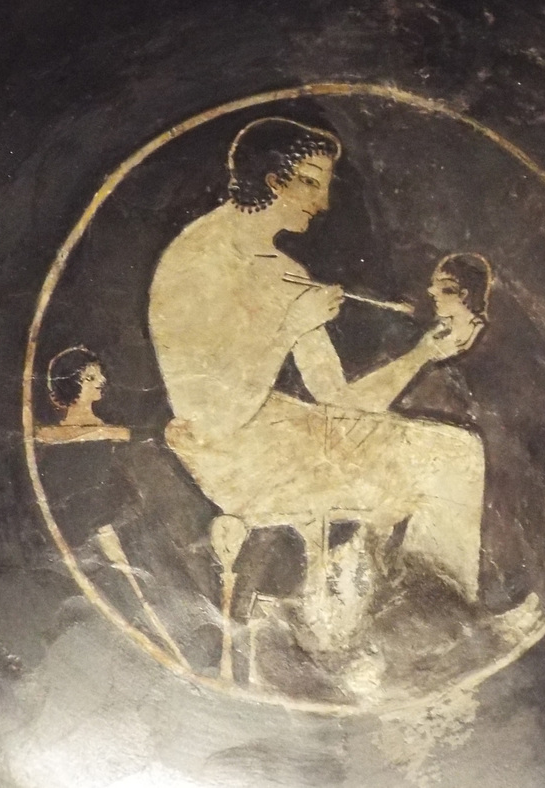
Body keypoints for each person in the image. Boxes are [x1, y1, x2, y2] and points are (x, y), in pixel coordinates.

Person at [148, 117, 486, 602]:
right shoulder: (195, 260)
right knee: (445, 459)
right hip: (233, 457)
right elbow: (211, 415)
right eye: (312, 182)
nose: (322, 202)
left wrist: (424, 354)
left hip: (286, 433)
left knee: (455, 451)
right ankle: (436, 614)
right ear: (274, 181)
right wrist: (288, 328)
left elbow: (339, 400)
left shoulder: (287, 272)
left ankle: (432, 610)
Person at [35, 346, 129, 443]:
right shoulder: (47, 435)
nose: (102, 381)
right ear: (69, 385)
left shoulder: (117, 433)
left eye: (100, 375)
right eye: (90, 378)